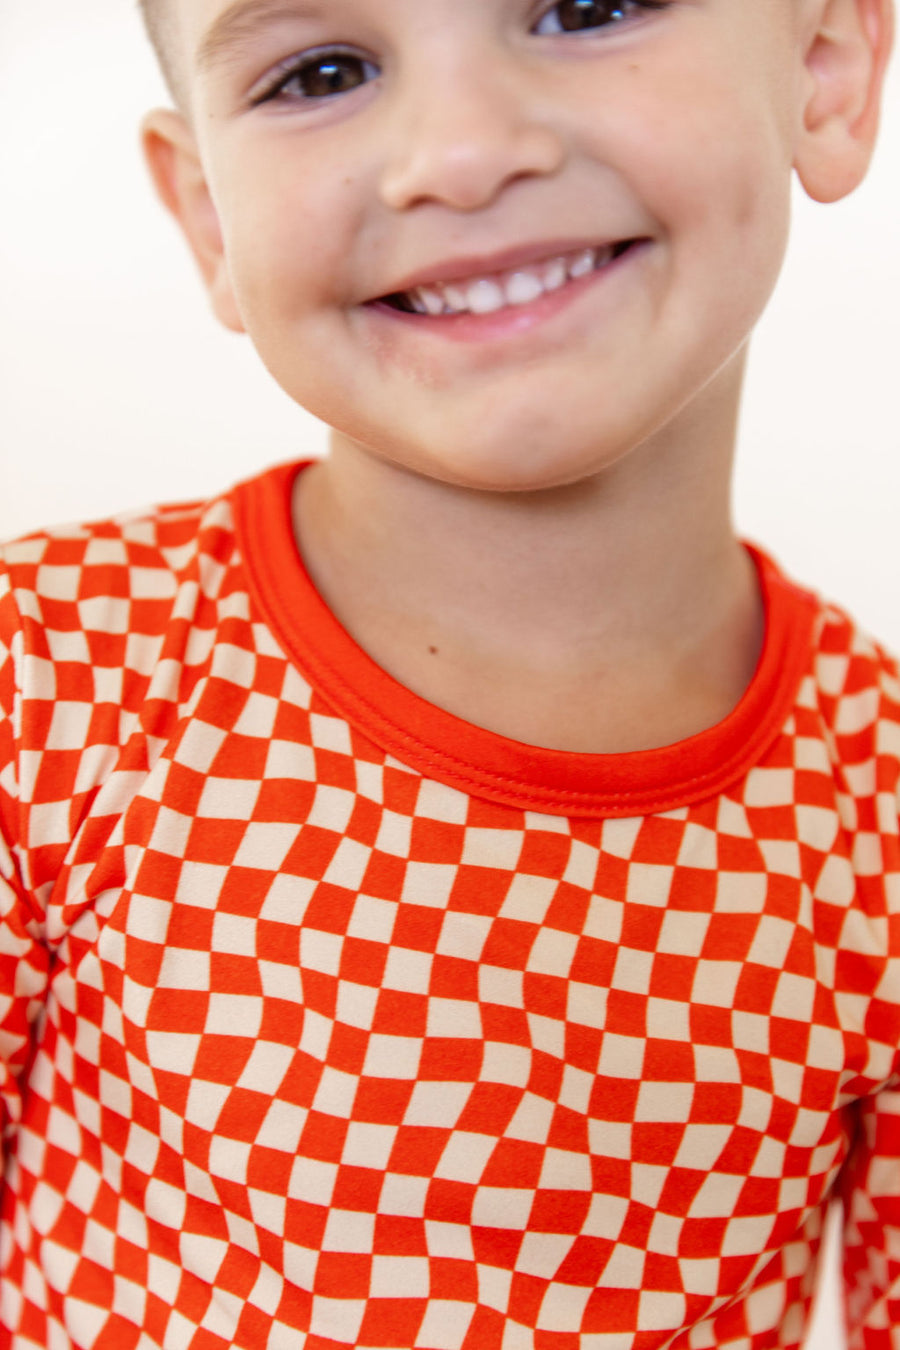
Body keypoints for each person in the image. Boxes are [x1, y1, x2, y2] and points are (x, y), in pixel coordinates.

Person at [0, 0, 896, 1345]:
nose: (463, 154)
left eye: (586, 7)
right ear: (209, 218)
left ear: (824, 67)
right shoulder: (51, 670)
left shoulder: (878, 803)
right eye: (322, 72)